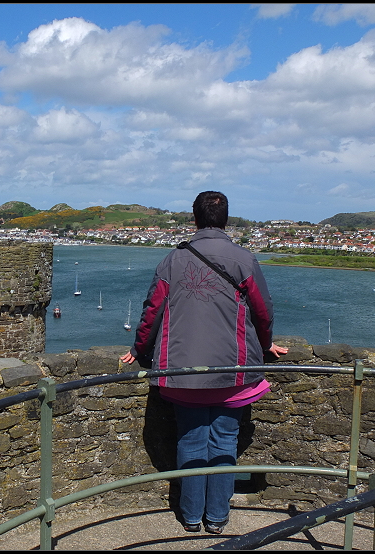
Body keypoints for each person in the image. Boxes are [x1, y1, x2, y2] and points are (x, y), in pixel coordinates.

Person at [120, 190, 287, 535]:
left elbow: (152, 312)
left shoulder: (172, 260)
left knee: (191, 440)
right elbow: (263, 312)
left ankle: (191, 516)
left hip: (183, 372)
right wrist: (266, 344)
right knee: (225, 440)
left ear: (194, 218)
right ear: (226, 219)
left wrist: (139, 349)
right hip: (234, 371)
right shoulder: (244, 259)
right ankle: (217, 517)